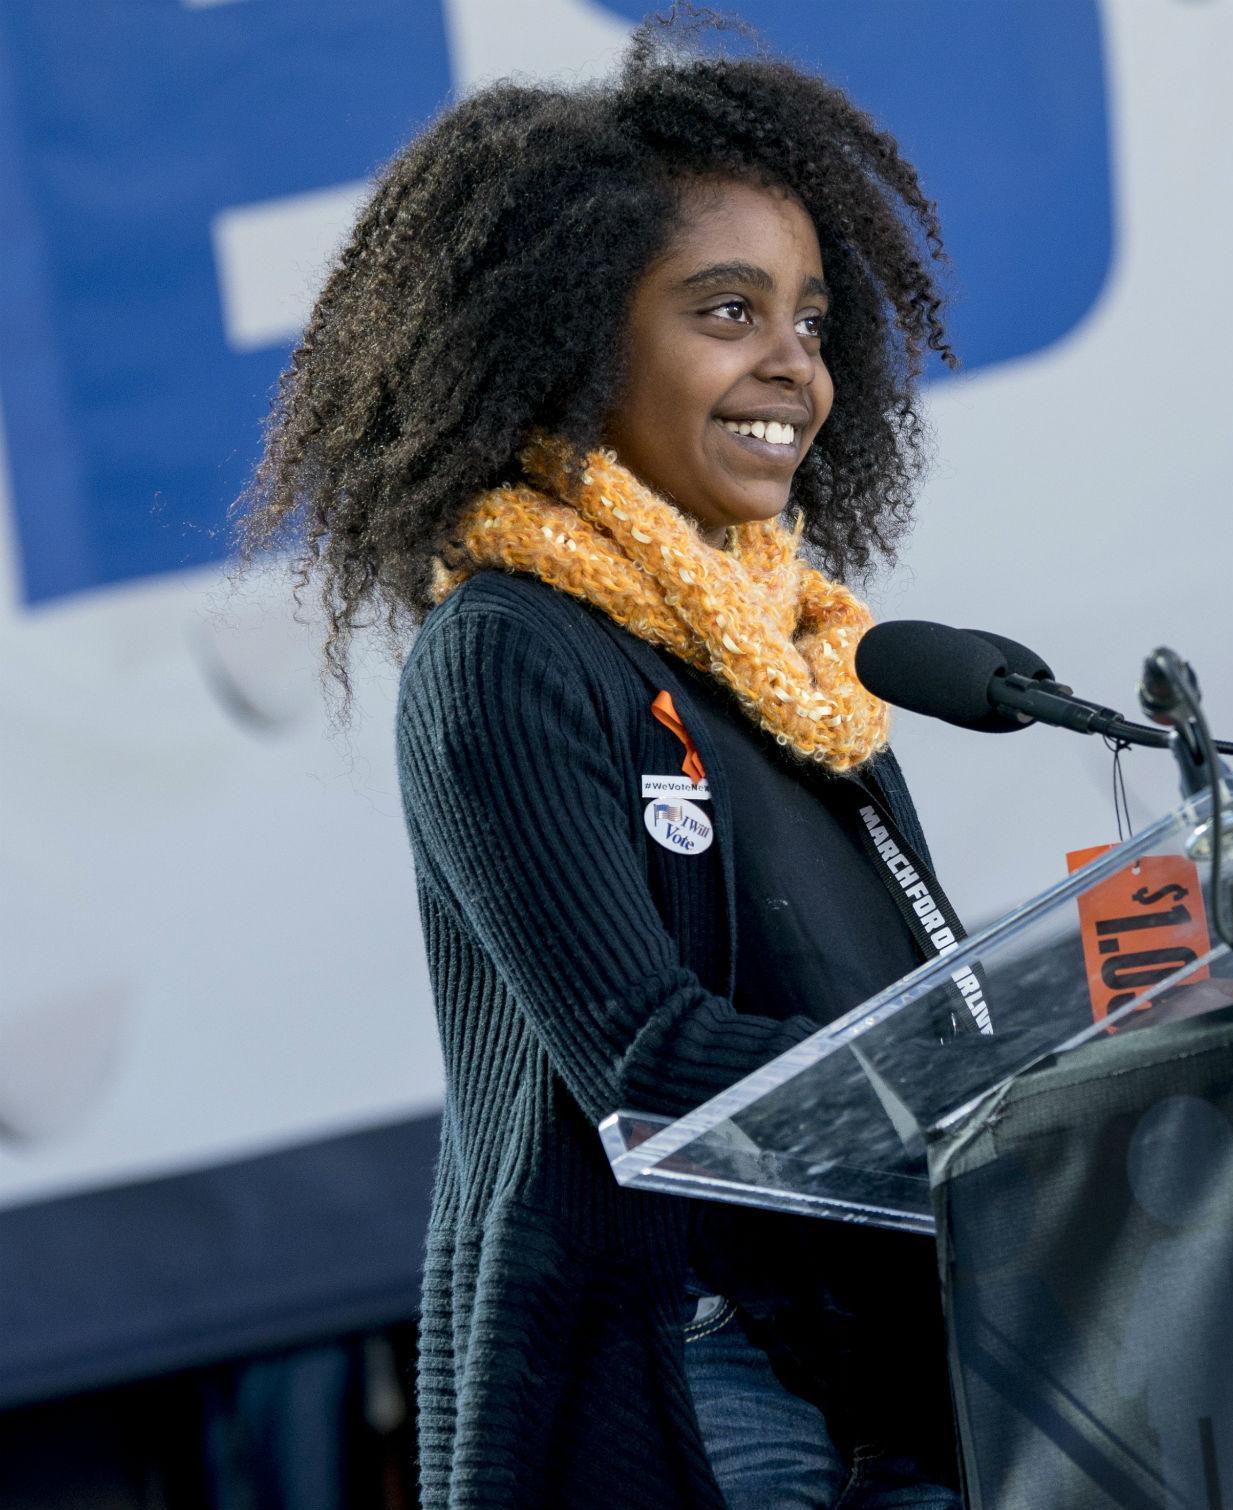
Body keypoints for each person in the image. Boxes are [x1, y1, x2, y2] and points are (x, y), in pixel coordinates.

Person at [237, 14, 963, 1508]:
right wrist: (974, 1079)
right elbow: (649, 1067)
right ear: (574, 343)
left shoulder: (815, 665)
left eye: (813, 320)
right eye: (726, 311)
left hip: (901, 1365)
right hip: (686, 1374)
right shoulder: (508, 649)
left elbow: (909, 999)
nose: (794, 367)